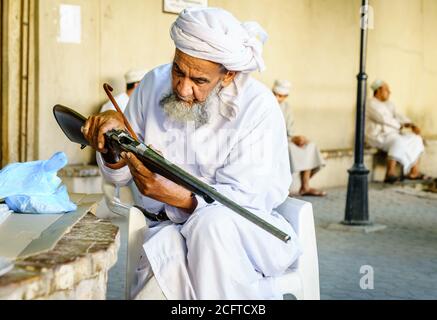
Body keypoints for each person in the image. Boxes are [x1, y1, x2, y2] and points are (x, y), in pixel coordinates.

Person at [82, 7, 301, 300]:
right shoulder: (152, 84)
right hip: (167, 228)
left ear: (228, 75)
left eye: (199, 81)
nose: (183, 89)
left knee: (212, 226)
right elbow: (119, 175)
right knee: (164, 266)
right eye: (178, 70)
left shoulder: (258, 107)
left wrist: (176, 196)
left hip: (245, 232)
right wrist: (111, 148)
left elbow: (246, 202)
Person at [366, 80, 428, 183]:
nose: (389, 92)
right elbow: (383, 118)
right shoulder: (371, 103)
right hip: (377, 136)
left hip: (391, 134)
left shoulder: (389, 104)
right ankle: (389, 173)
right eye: (386, 90)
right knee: (398, 141)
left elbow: (398, 115)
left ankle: (414, 172)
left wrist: (411, 124)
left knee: (416, 138)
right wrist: (402, 125)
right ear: (378, 90)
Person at [273, 80, 326, 197]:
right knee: (289, 149)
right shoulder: (266, 103)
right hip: (271, 140)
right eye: (275, 94)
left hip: (286, 139)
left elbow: (290, 131)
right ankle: (282, 189)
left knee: (309, 146)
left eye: (280, 96)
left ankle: (305, 186)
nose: (277, 97)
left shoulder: (286, 107)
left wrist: (297, 139)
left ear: (286, 96)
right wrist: (290, 140)